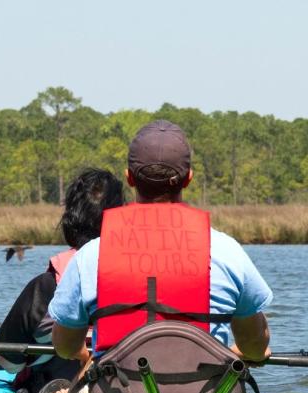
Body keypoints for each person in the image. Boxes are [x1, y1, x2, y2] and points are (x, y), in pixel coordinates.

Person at [49, 120, 273, 371]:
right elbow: (254, 346)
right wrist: (242, 351)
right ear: (188, 179)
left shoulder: (91, 255)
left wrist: (83, 354)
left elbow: (65, 347)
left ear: (129, 178)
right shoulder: (227, 251)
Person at [0, 168, 124, 393]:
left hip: (58, 392)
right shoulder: (141, 278)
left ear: (70, 219)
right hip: (124, 392)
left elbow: (7, 362)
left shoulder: (45, 287)